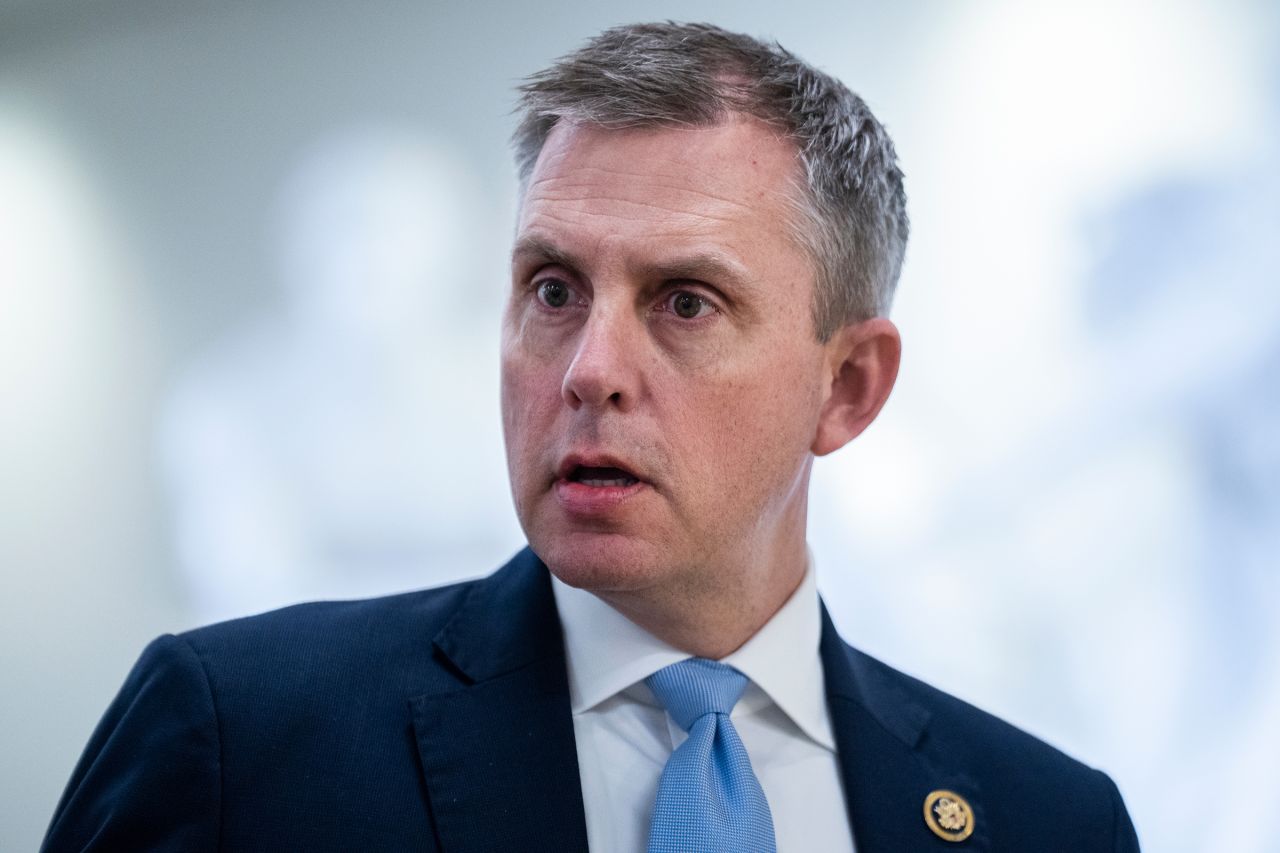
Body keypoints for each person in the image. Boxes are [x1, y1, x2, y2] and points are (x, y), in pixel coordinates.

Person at [43, 22, 1139, 852]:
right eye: (554, 288)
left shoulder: (1047, 820)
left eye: (684, 303)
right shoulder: (245, 737)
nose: (587, 372)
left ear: (847, 386)